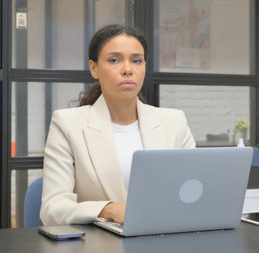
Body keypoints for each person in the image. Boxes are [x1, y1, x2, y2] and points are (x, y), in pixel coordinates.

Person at [40, 24, 196, 225]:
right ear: (94, 68)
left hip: (165, 235)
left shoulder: (174, 122)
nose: (128, 69)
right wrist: (109, 209)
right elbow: (53, 208)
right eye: (114, 60)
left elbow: (193, 191)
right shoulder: (67, 124)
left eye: (137, 60)